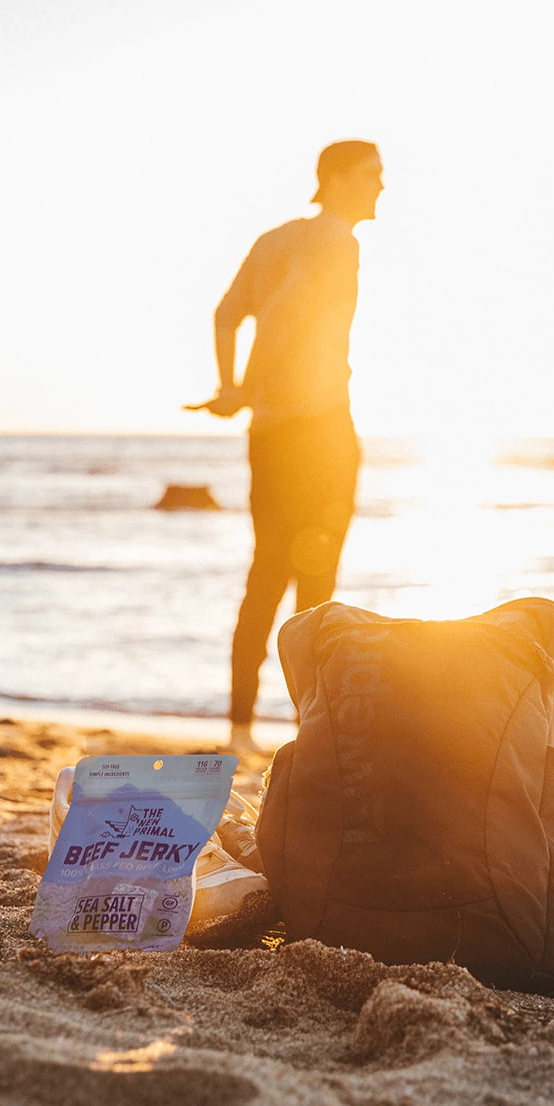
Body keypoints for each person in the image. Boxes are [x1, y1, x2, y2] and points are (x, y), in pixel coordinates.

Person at [188, 141, 384, 756]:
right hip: (318, 431)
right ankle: (313, 735)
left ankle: (240, 726)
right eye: (372, 175)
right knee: (317, 587)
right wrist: (247, 387)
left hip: (270, 435)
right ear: (336, 178)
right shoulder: (338, 242)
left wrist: (233, 388)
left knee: (266, 575)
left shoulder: (273, 240)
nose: (381, 187)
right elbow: (294, 313)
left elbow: (226, 315)